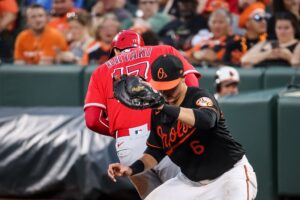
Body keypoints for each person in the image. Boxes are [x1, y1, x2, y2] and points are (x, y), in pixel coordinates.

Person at [107, 54, 257, 200]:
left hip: (228, 176)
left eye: (171, 87)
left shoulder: (199, 97)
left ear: (183, 78)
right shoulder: (159, 111)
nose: (166, 92)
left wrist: (163, 106)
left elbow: (207, 120)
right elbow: (155, 151)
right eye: (162, 88)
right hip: (189, 183)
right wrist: (131, 169)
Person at [84, 30, 200, 199]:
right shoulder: (162, 50)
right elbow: (191, 82)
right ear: (140, 46)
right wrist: (183, 113)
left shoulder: (100, 71)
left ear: (115, 51)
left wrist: (121, 130)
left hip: (128, 146)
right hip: (165, 132)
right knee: (188, 194)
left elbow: (92, 120)